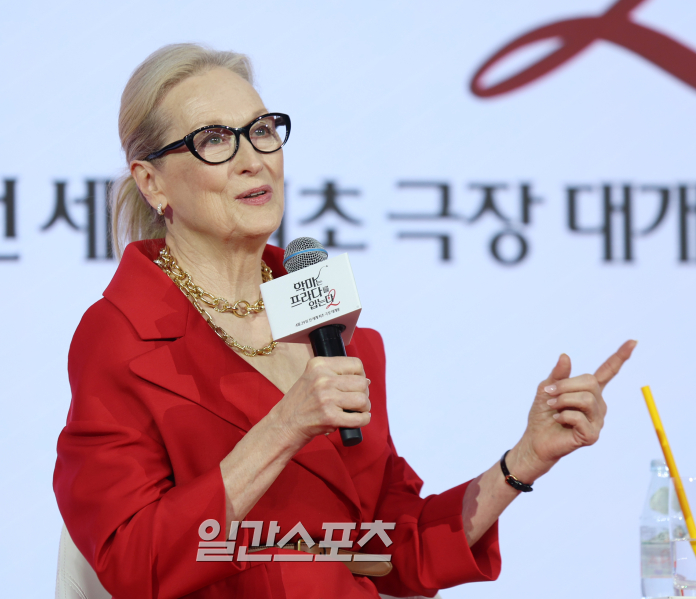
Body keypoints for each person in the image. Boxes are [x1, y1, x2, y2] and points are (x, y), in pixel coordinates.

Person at [52, 43, 636, 599]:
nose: (254, 160)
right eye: (214, 140)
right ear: (151, 181)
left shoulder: (328, 324)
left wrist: (525, 459)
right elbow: (134, 564)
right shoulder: (122, 337)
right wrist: (285, 426)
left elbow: (389, 549)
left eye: (261, 130)